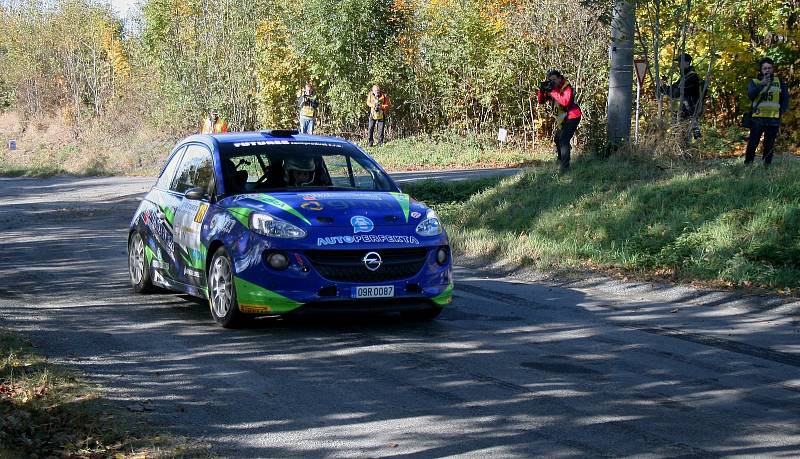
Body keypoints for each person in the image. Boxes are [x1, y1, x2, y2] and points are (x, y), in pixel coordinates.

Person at [744, 57, 790, 167]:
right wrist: (761, 84)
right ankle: (748, 164)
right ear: (761, 69)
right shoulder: (755, 82)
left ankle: (766, 166)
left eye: (769, 68)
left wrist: (782, 110)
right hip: (758, 118)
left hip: (773, 118)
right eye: (765, 68)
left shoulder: (779, 81)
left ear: (772, 69)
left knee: (769, 144)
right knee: (753, 142)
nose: (767, 70)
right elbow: (750, 95)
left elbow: (785, 97)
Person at [537, 69, 582, 172]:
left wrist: (552, 91)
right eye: (550, 80)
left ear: (559, 78)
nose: (552, 82)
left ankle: (565, 167)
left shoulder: (567, 87)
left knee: (563, 140)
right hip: (563, 118)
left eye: (554, 80)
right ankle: (561, 159)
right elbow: (541, 101)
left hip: (573, 116)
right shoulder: (552, 88)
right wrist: (542, 90)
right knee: (557, 138)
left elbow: (565, 102)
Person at [659, 52, 702, 138]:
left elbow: (677, 93)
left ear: (687, 63)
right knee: (678, 134)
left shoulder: (692, 77)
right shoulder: (684, 77)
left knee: (684, 136)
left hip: (689, 112)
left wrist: (665, 89)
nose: (679, 65)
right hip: (681, 112)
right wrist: (663, 88)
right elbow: (674, 87)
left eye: (680, 62)